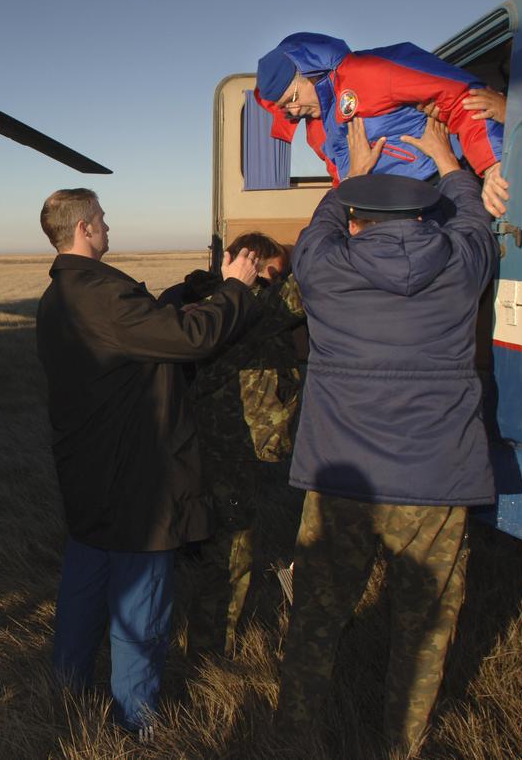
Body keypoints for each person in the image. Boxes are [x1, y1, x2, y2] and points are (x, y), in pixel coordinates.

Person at [276, 118, 496, 756]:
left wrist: (351, 172)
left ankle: (295, 743)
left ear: (354, 222)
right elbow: (475, 222)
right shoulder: (462, 266)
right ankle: (402, 745)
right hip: (437, 479)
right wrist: (447, 159)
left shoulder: (323, 270)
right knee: (424, 629)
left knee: (317, 618)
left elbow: (315, 230)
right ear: (425, 218)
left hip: (342, 478)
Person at [34, 188, 259, 736]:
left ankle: (64, 699)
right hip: (138, 486)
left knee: (83, 594)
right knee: (142, 615)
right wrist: (235, 288)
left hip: (89, 478)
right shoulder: (102, 295)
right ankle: (139, 725)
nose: (108, 226)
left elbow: (135, 346)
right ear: (85, 228)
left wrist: (172, 310)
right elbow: (192, 340)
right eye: (102, 218)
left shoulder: (59, 295)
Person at [161, 232, 307, 657]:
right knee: (231, 547)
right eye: (272, 274)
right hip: (230, 445)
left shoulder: (209, 300)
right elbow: (302, 293)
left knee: (214, 538)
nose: (277, 283)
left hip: (207, 438)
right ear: (251, 266)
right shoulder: (252, 305)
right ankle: (209, 650)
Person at [254, 32, 511, 216]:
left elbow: (461, 96)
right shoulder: (316, 130)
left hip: (436, 192)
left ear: (311, 71)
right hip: (385, 214)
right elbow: (339, 179)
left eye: (293, 98)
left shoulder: (369, 72)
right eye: (285, 107)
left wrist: (491, 163)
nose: (294, 111)